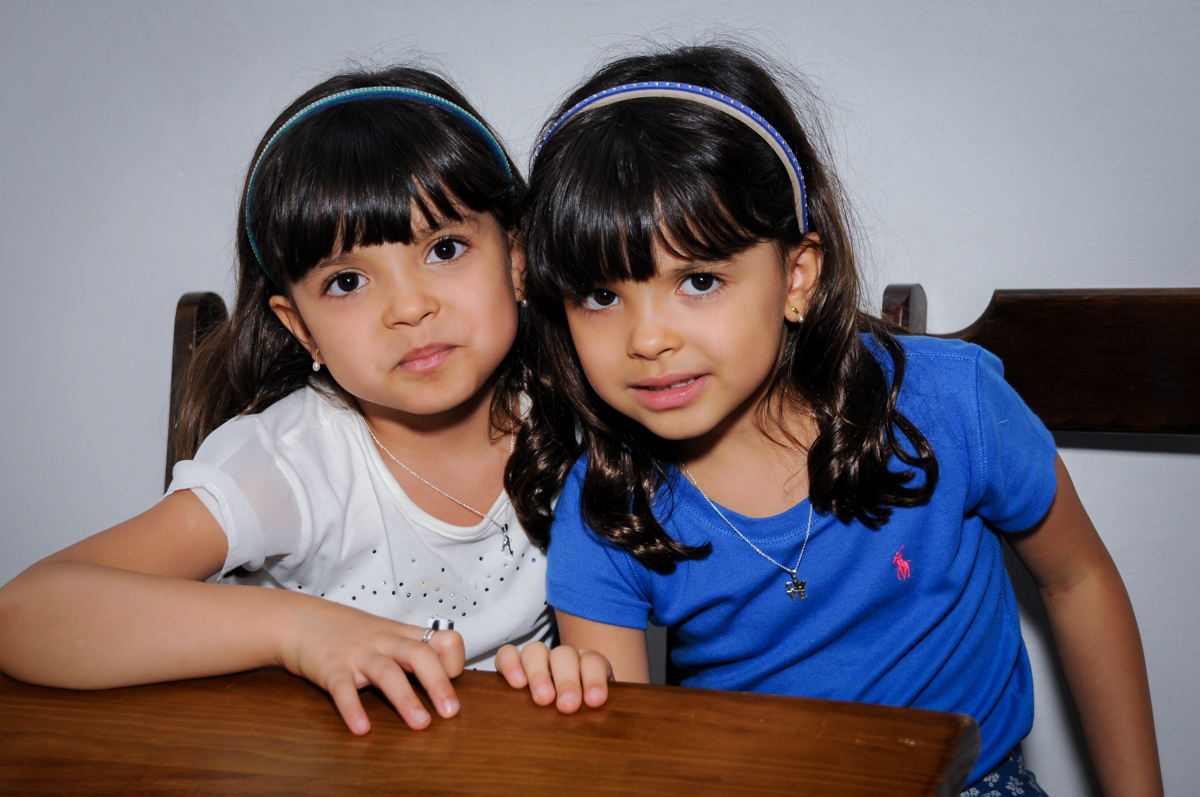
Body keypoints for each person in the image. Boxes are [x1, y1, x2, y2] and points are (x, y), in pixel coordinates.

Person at [495, 44, 1163, 795]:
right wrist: (576, 710)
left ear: (796, 276)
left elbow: (1079, 579)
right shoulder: (607, 504)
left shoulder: (951, 403)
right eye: (600, 295)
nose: (647, 339)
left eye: (700, 279)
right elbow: (636, 758)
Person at [0, 65, 554, 736]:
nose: (409, 307)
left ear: (517, 259)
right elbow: (25, 614)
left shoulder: (574, 423)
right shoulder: (292, 462)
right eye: (348, 280)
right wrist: (297, 630)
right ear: (300, 327)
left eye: (445, 247)